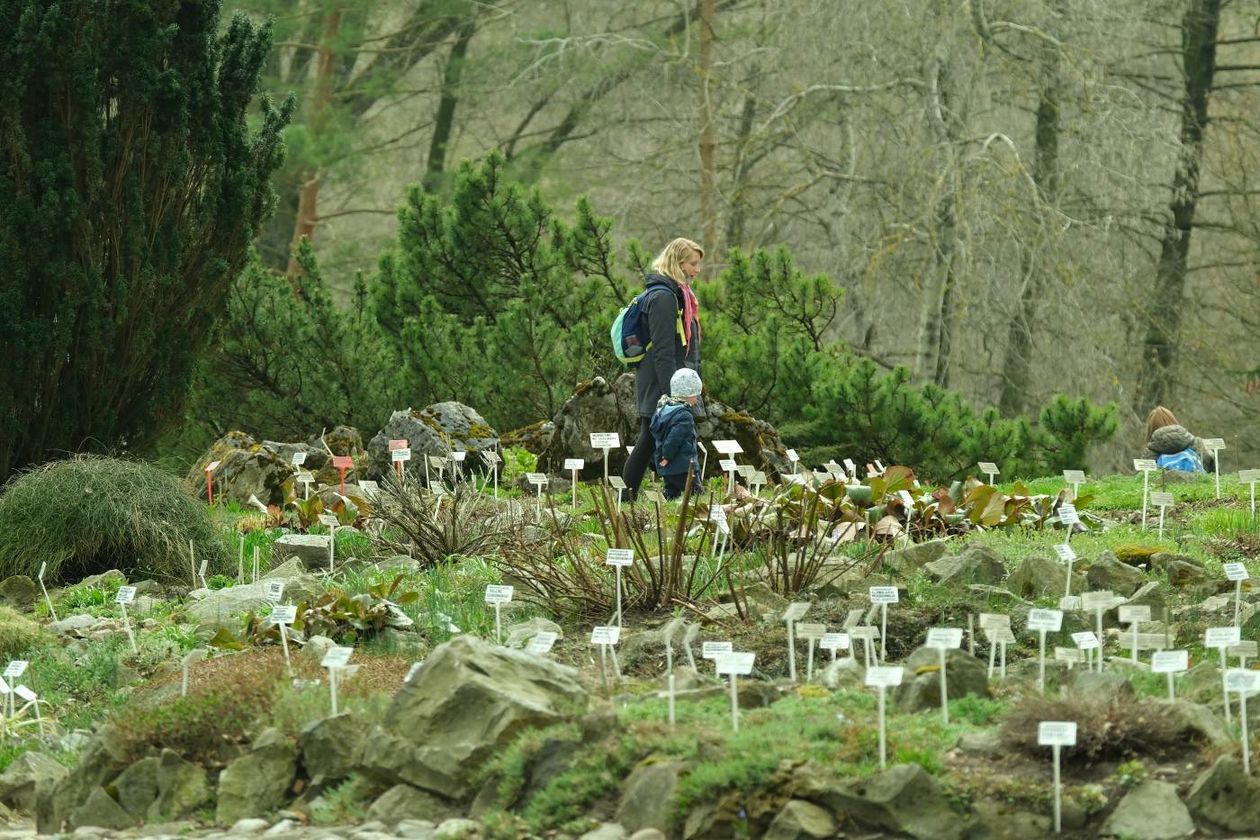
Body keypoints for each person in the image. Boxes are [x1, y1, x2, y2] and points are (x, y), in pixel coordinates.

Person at [622, 237, 703, 497]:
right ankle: (627, 493)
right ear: (678, 264)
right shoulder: (663, 298)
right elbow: (663, 351)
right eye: (692, 264)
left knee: (650, 438)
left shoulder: (676, 296)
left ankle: (646, 493)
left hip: (665, 378)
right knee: (647, 439)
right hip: (659, 380)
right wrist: (673, 394)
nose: (697, 270)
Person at [651, 369, 703, 499]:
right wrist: (667, 456)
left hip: (669, 468)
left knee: (671, 491)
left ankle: (663, 508)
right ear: (688, 394)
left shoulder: (663, 410)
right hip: (684, 466)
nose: (697, 398)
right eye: (695, 395)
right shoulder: (685, 416)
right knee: (696, 493)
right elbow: (674, 438)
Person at [1145, 406, 1214, 472]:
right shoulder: (1198, 443)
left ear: (1150, 430)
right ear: (1174, 421)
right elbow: (1215, 473)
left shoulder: (1150, 453)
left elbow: (1143, 480)